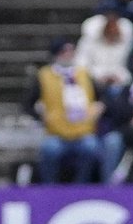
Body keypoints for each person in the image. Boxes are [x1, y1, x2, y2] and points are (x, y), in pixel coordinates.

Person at [31, 38, 104, 183]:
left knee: (92, 148)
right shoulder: (44, 75)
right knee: (50, 150)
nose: (69, 55)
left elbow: (101, 97)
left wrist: (99, 107)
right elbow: (28, 103)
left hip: (83, 130)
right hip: (56, 132)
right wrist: (40, 115)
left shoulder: (84, 73)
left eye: (71, 51)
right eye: (65, 51)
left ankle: (81, 185)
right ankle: (49, 186)